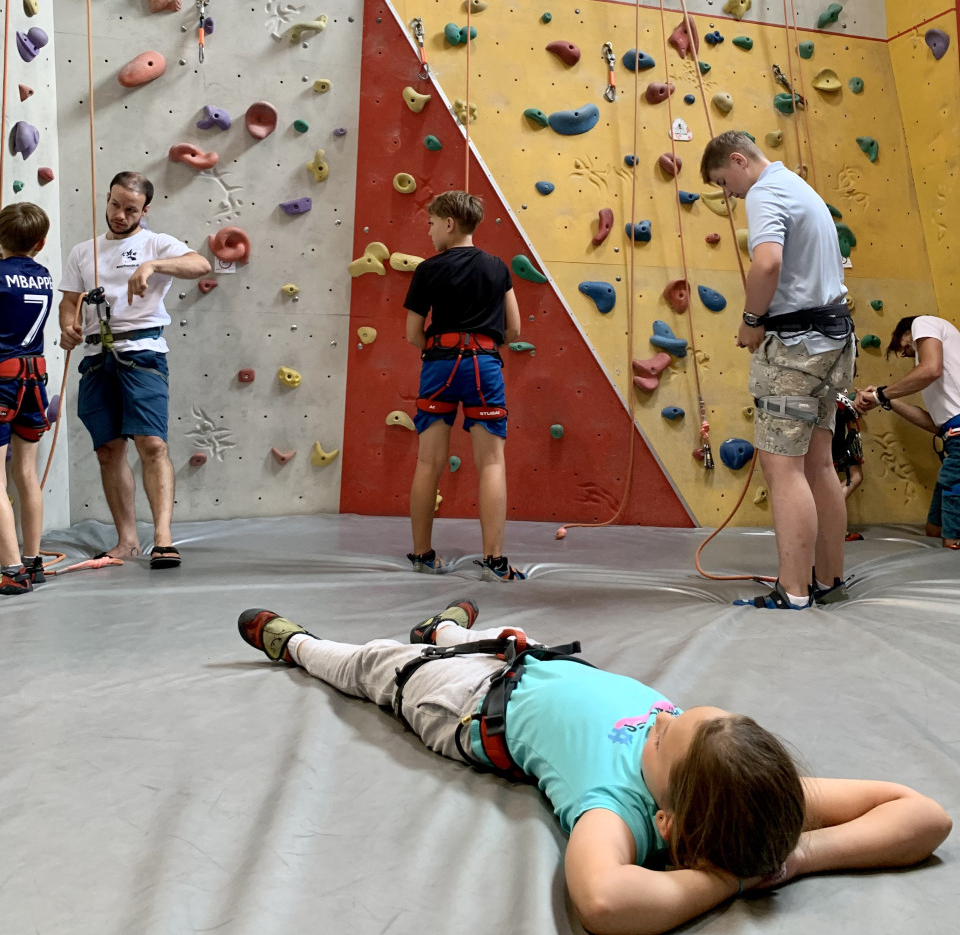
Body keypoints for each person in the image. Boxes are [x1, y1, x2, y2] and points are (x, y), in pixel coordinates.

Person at [236, 600, 952, 935]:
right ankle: (450, 628)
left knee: (381, 666)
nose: (664, 717)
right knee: (501, 634)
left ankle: (299, 645)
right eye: (687, 711)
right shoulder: (752, 791)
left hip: (468, 708)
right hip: (541, 663)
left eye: (667, 736)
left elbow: (605, 904)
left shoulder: (615, 808)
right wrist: (793, 854)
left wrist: (724, 880)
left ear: (668, 819)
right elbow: (928, 815)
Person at [700, 132, 856, 609]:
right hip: (833, 339)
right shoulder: (799, 186)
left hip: (796, 347)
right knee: (820, 463)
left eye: (725, 182)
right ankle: (828, 579)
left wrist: (751, 322)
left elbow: (767, 263)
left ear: (738, 159)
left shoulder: (766, 191)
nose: (730, 194)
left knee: (783, 468)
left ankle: (792, 591)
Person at [58, 172, 210, 568]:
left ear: (145, 210)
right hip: (96, 358)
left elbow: (200, 263)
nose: (120, 215)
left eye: (130, 209)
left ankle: (162, 536)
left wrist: (152, 266)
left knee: (152, 444)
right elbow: (70, 301)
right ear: (107, 199)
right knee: (109, 450)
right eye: (115, 205)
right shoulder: (82, 252)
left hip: (141, 353)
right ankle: (126, 540)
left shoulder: (155, 243)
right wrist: (68, 326)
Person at [402, 190, 523, 581]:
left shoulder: (428, 270)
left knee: (428, 462)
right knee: (490, 463)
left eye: (432, 223)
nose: (430, 230)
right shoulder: (497, 267)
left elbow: (412, 334)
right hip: (483, 367)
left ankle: (422, 556)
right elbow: (515, 328)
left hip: (439, 366)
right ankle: (494, 563)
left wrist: (439, 351)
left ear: (449, 224)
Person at [855, 314, 960, 549]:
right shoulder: (947, 384)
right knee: (936, 527)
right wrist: (884, 398)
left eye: (901, 347)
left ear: (906, 333)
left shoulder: (922, 322)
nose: (905, 353)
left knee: (952, 525)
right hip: (952, 437)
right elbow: (936, 426)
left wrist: (882, 394)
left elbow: (930, 369)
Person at [0, 203, 54, 596]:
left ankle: (11, 568)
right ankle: (32, 562)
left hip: (2, 381)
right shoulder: (44, 276)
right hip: (34, 382)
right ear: (41, 243)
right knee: (26, 474)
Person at [832, 392, 865, 540]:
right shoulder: (832, 395)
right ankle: (832, 528)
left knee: (856, 476)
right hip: (830, 446)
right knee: (827, 487)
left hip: (837, 444)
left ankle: (832, 524)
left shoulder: (841, 398)